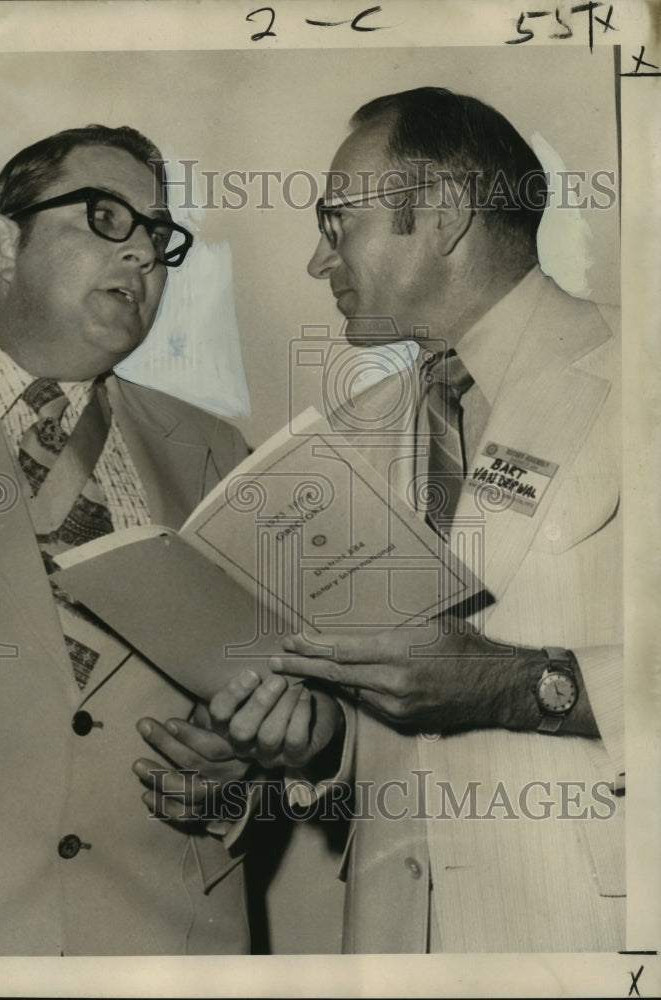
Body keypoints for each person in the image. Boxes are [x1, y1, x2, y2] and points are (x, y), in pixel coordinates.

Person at [204, 87, 624, 953]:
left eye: (335, 222)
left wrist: (515, 684)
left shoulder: (639, 377)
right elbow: (378, 729)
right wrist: (310, 739)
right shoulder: (345, 439)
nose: (319, 263)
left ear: (440, 214)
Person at [0, 125, 254, 955]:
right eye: (105, 218)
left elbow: (275, 713)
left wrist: (239, 781)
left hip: (168, 951)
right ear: (4, 241)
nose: (142, 256)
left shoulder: (219, 453)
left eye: (157, 237)